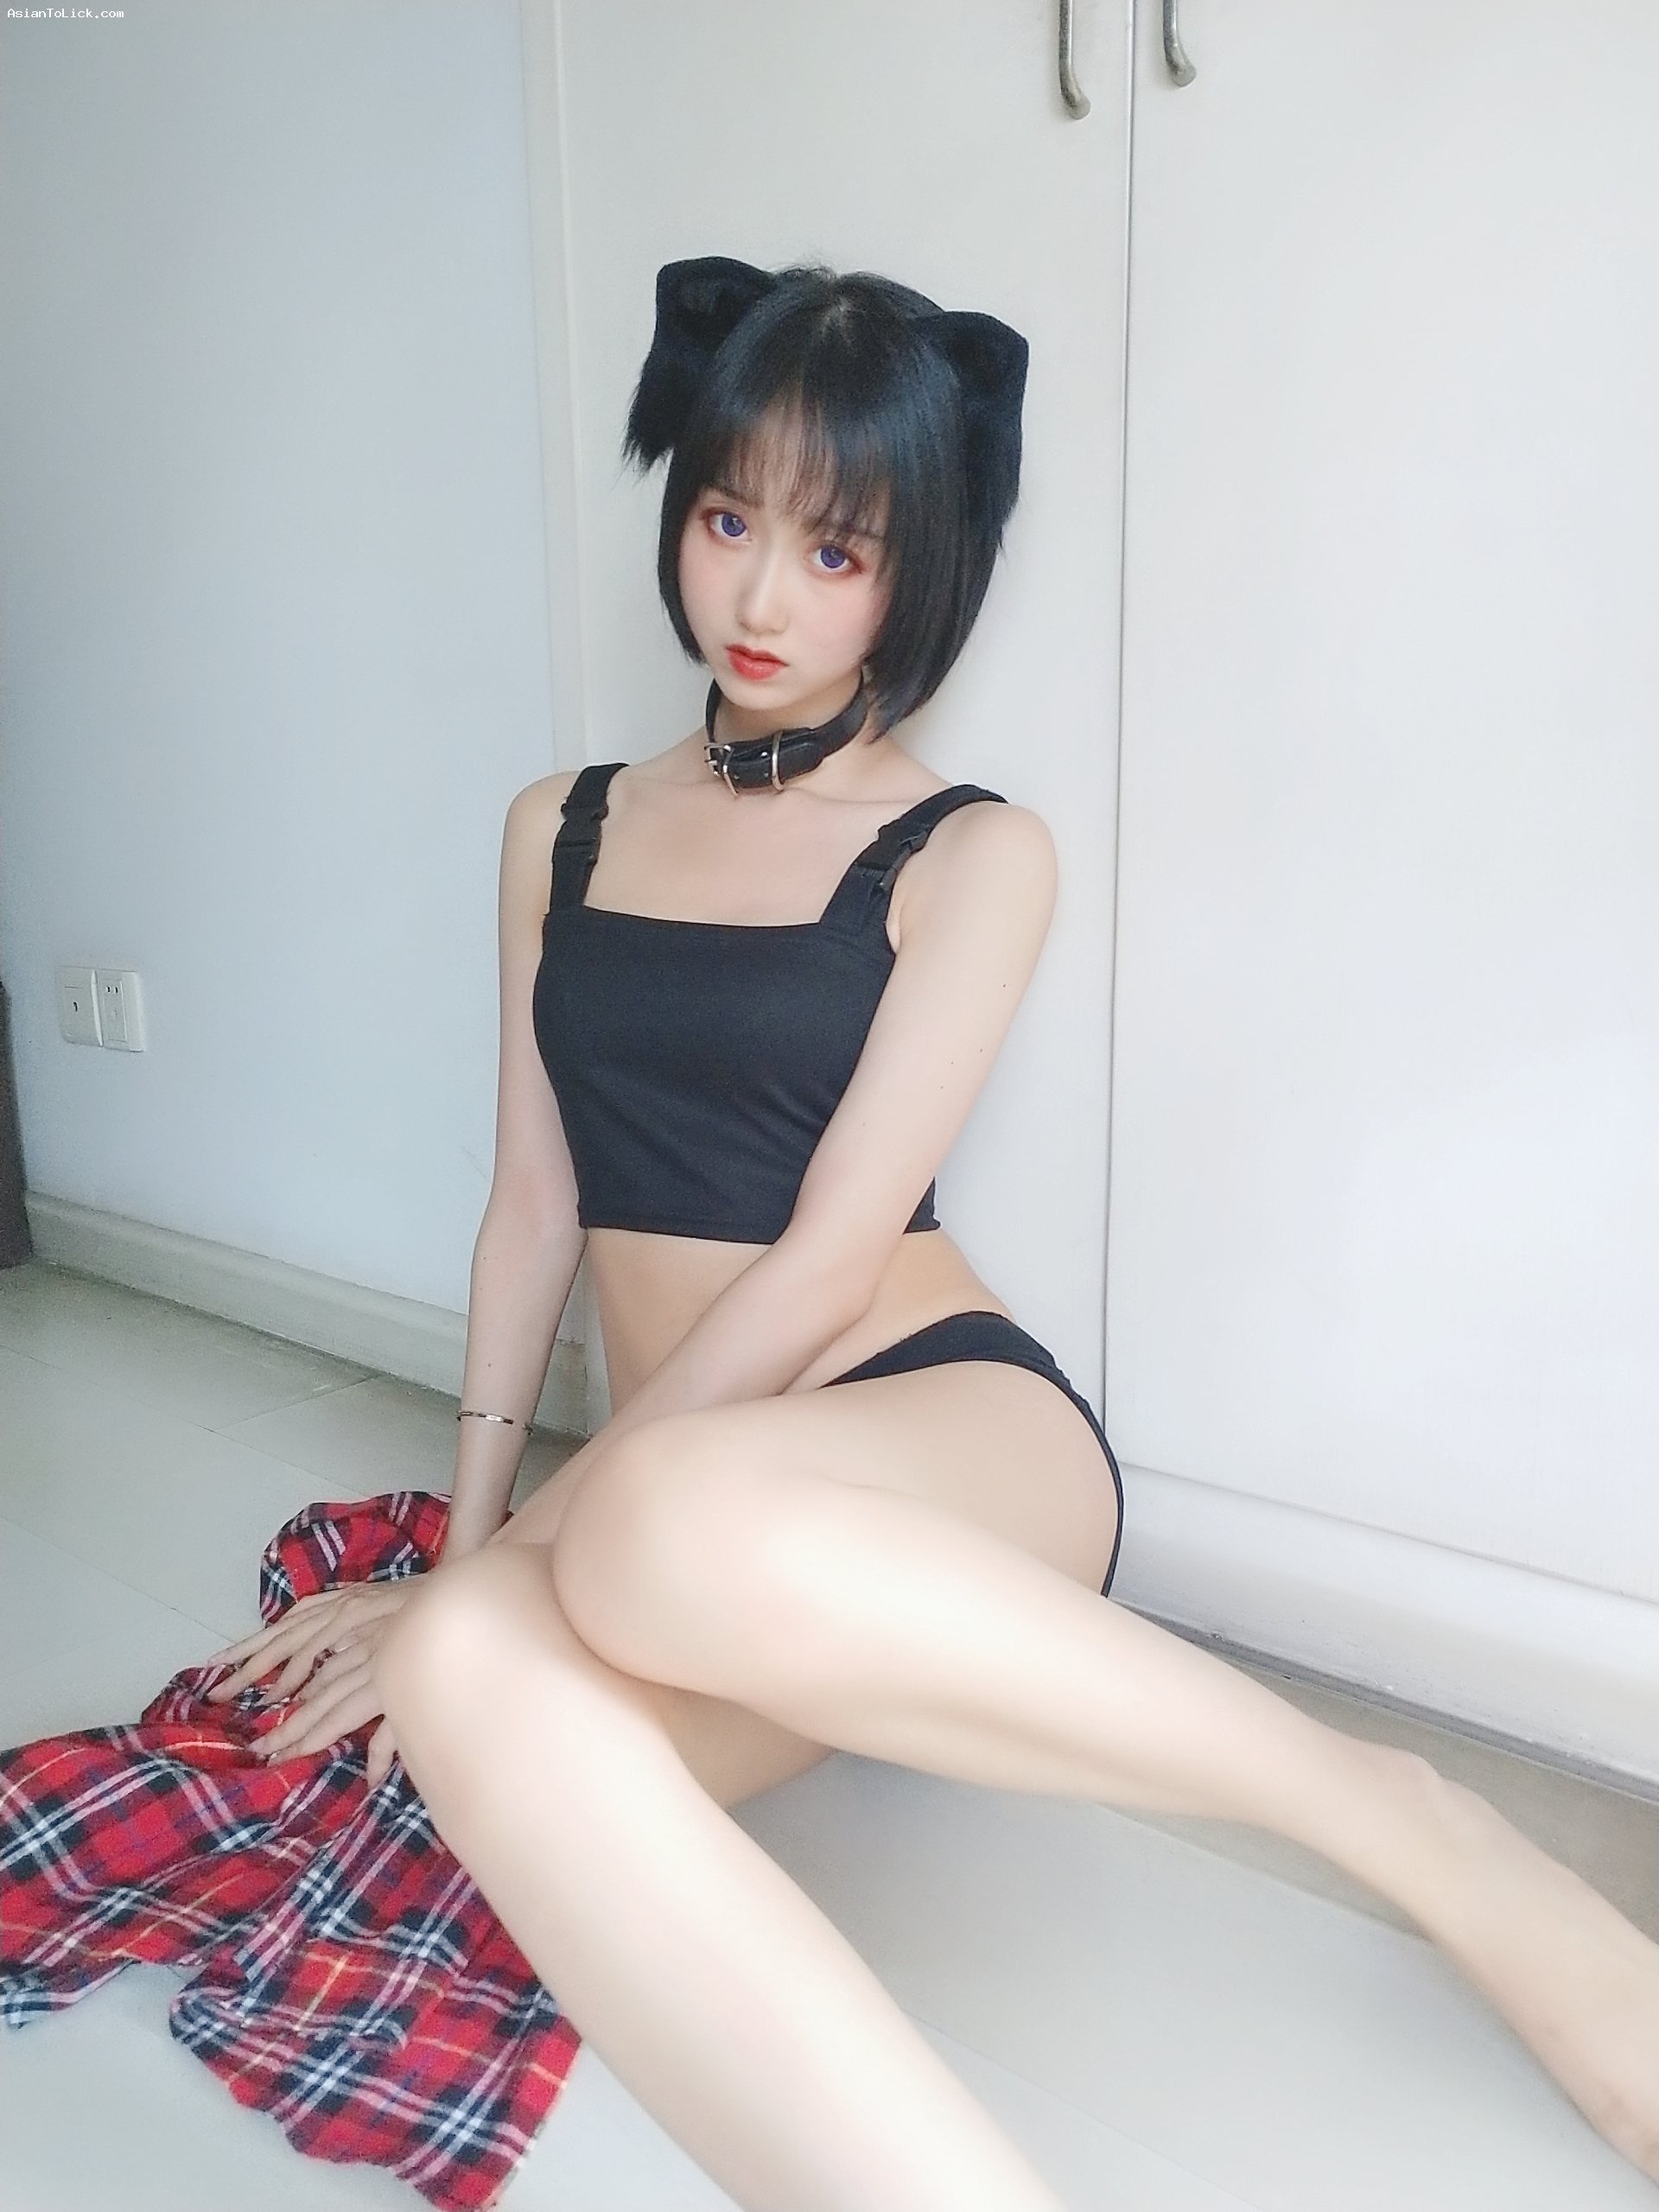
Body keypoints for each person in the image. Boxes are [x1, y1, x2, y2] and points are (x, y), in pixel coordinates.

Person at [206, 257, 1659, 2212]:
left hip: (929, 1425)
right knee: (468, 1681)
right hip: (689, 1502)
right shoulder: (559, 824)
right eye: (729, 521)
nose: (760, 598)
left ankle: (1415, 1828)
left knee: (648, 1525)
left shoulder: (973, 850)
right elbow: (534, 1201)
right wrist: (460, 1566)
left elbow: (826, 1265)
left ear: (920, 576)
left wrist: (554, 1532)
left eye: (837, 551)